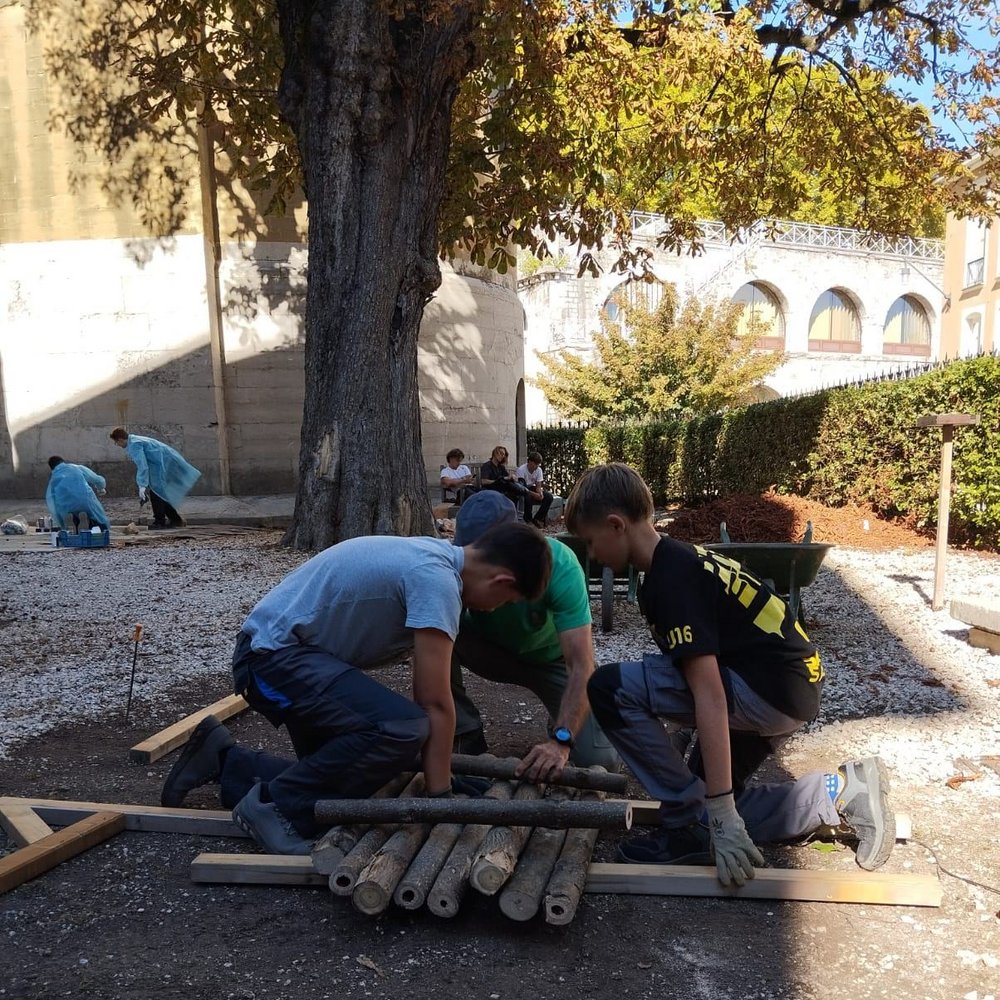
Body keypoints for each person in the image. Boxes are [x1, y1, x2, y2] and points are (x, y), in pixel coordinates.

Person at [566, 462, 895, 886]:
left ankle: (688, 821)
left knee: (608, 688)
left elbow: (709, 694)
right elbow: (698, 665)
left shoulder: (670, 579)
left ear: (616, 525)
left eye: (590, 542)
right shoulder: (682, 559)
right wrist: (714, 801)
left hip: (764, 691)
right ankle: (839, 793)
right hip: (790, 688)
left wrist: (719, 811)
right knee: (712, 808)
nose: (592, 555)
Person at [160, 521, 552, 855]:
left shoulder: (434, 558)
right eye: (505, 601)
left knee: (350, 773)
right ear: (502, 580)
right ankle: (274, 808)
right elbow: (432, 702)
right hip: (270, 662)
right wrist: (441, 797)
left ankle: (224, 760)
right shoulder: (437, 582)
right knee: (401, 728)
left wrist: (441, 775)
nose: (494, 609)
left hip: (284, 656)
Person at [450, 490, 619, 780]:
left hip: (552, 661)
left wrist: (562, 739)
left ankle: (560, 716)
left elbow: (581, 665)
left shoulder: (560, 565)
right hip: (489, 651)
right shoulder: (453, 564)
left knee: (600, 760)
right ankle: (464, 731)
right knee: (434, 628)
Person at [109, 427, 201, 529]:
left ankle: (159, 521)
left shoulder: (134, 445)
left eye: (116, 442)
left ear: (120, 440)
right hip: (165, 462)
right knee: (160, 493)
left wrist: (142, 485)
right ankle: (176, 520)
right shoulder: (136, 439)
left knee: (156, 493)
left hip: (160, 466)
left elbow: (142, 465)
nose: (117, 445)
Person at [45, 456, 109, 532]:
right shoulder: (76, 468)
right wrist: (101, 488)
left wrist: (62, 524)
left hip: (65, 506)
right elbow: (97, 479)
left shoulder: (53, 479)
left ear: (52, 468)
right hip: (85, 502)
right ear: (63, 462)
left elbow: (52, 504)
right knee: (98, 518)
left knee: (67, 517)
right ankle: (89, 522)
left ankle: (71, 521)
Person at [515, 451, 554, 527]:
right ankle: (528, 520)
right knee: (527, 497)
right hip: (522, 489)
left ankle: (538, 518)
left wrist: (540, 493)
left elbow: (538, 486)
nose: (536, 466)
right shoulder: (521, 470)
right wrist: (534, 494)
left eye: (538, 464)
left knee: (549, 496)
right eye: (535, 464)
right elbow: (522, 487)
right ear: (530, 461)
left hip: (532, 488)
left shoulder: (539, 470)